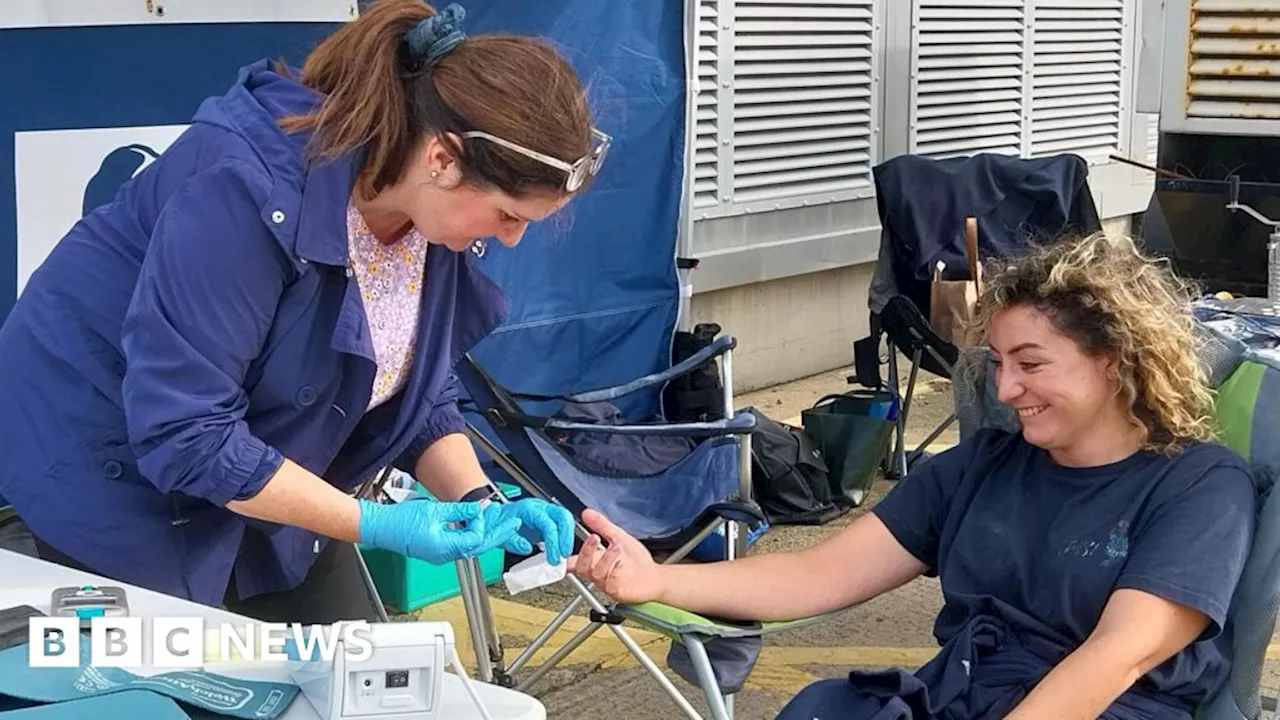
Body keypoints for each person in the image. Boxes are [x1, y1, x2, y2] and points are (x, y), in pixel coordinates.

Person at [0, 0, 603, 624]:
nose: (510, 240)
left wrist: (478, 503)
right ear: (444, 159)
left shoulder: (428, 213)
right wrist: (378, 523)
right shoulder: (245, 189)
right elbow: (188, 433)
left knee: (347, 685)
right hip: (110, 471)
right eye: (508, 215)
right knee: (181, 691)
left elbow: (412, 385)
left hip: (265, 464)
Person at [569, 232, 1258, 719]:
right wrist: (657, 578)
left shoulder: (1198, 486)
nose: (1008, 389)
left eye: (1032, 363)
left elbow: (1120, 656)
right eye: (999, 364)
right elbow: (818, 575)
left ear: (1113, 360)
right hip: (960, 695)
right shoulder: (984, 465)